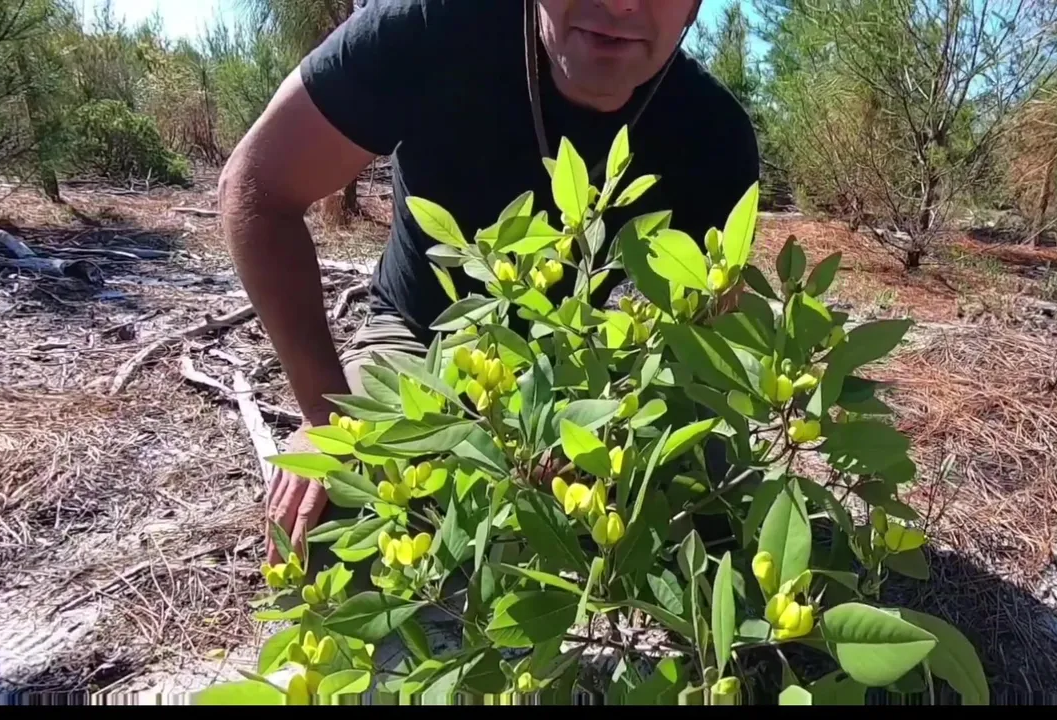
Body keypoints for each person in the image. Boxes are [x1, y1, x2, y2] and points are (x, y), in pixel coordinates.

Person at [219, 0, 760, 568]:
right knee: (336, 520)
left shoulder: (714, 134)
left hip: (578, 359)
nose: (620, 2)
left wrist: (603, 420)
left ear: (694, 8)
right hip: (418, 338)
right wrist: (324, 415)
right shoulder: (435, 23)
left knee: (713, 507)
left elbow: (700, 343)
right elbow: (255, 184)